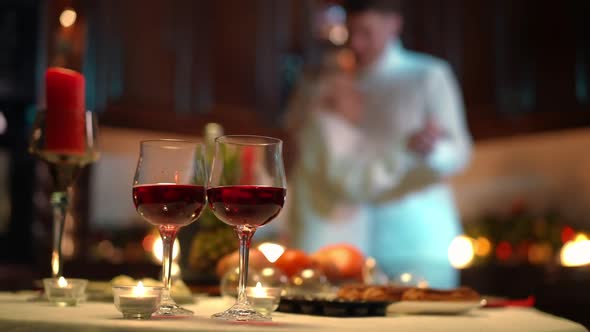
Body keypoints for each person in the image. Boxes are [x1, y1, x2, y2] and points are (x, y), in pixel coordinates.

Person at [284, 0, 472, 288]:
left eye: (366, 32)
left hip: (418, 240)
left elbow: (459, 153)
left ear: (393, 24)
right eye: (351, 33)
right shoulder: (339, 87)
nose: (357, 44)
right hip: (356, 242)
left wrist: (430, 148)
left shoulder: (427, 75)